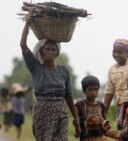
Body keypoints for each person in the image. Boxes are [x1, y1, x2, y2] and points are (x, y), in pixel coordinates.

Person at [20, 8, 81, 140]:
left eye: (53, 49)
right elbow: (23, 45)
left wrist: (76, 121)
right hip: (42, 111)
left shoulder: (63, 71)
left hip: (60, 110)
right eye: (47, 49)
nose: (50, 52)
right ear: (41, 52)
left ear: (57, 53)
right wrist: (28, 20)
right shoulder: (35, 67)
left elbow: (69, 96)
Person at [74, 75, 108, 141]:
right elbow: (75, 118)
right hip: (86, 137)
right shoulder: (80, 104)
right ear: (84, 91)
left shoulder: (101, 105)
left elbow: (104, 120)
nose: (93, 92)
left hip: (101, 137)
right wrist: (77, 128)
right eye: (90, 90)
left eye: (96, 89)